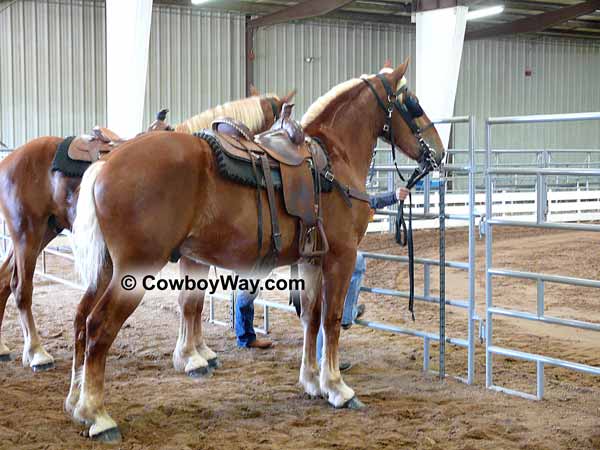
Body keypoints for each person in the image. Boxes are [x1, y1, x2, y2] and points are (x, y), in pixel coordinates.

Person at [234, 186, 411, 351]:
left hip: (298, 245)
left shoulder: (325, 181)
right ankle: (329, 342)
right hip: (291, 243)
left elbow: (359, 200)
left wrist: (392, 197)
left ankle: (247, 336)